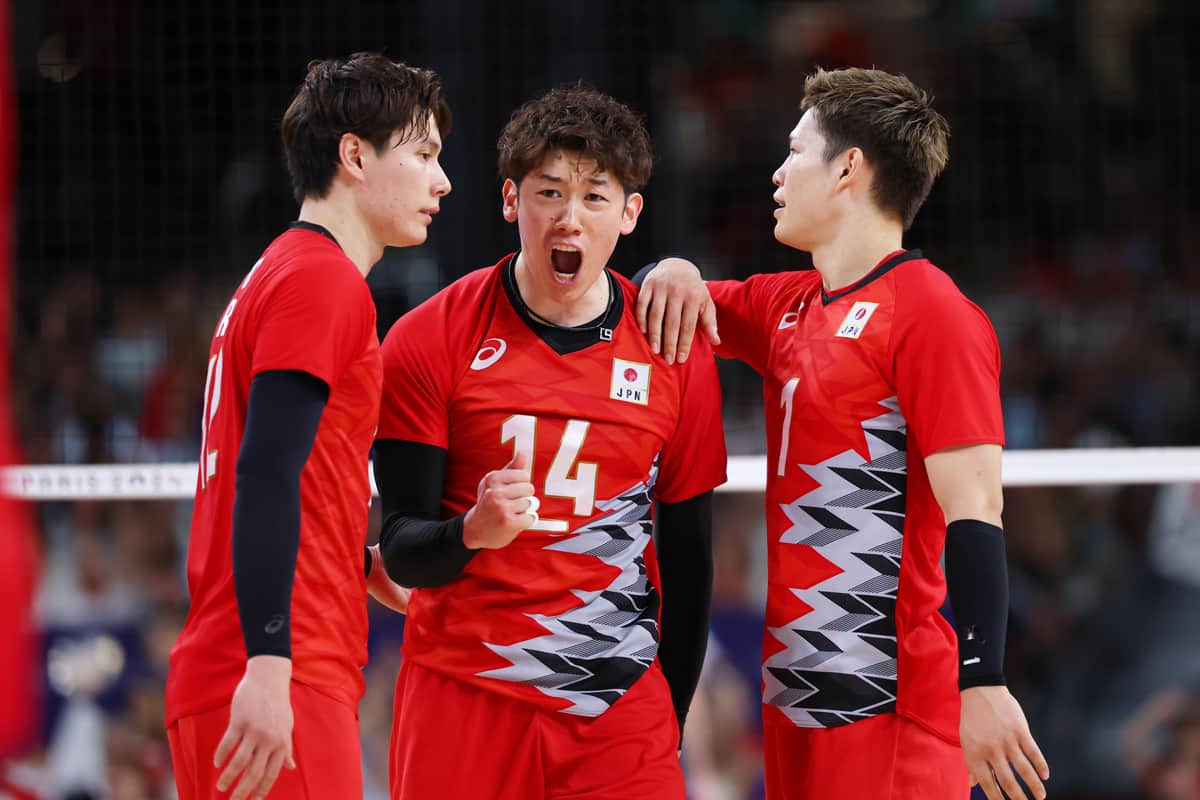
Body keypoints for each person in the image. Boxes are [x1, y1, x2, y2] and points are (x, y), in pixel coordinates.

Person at [636, 67, 1051, 800]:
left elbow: (977, 510)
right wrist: (669, 265)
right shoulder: (789, 305)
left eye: (795, 151)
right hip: (794, 705)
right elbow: (669, 299)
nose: (777, 172)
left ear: (847, 168)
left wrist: (983, 679)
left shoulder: (933, 314)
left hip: (886, 706)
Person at [373, 85, 727, 800]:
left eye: (595, 197)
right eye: (549, 192)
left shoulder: (672, 348)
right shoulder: (428, 338)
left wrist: (672, 719)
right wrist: (472, 531)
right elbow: (403, 548)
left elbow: (690, 557)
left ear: (629, 214)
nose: (570, 217)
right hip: (463, 699)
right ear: (511, 201)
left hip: (617, 709)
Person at [165, 52, 451, 800]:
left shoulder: (278, 272)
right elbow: (265, 471)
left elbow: (277, 463)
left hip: (241, 667)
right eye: (423, 154)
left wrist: (350, 559)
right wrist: (269, 663)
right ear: (354, 155)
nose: (442, 181)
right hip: (277, 673)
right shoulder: (322, 281)